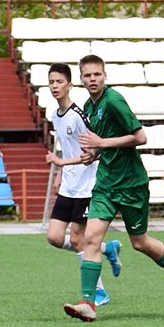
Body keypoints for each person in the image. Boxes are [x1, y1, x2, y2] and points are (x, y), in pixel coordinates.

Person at [63, 55, 164, 321]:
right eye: (87, 75)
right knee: (91, 238)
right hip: (106, 184)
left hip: (132, 184)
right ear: (81, 79)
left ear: (105, 75)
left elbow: (140, 137)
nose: (92, 79)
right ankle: (88, 302)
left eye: (97, 74)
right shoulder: (89, 106)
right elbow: (104, 143)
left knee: (140, 242)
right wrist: (95, 153)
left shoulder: (114, 100)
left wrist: (102, 143)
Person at [44, 63, 118, 307]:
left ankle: (99, 292)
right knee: (54, 237)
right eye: (51, 82)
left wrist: (61, 162)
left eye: (59, 82)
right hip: (69, 185)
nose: (55, 86)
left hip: (86, 186)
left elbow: (92, 152)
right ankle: (107, 249)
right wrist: (60, 172)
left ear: (70, 85)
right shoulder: (55, 115)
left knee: (78, 239)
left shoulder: (78, 115)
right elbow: (67, 147)